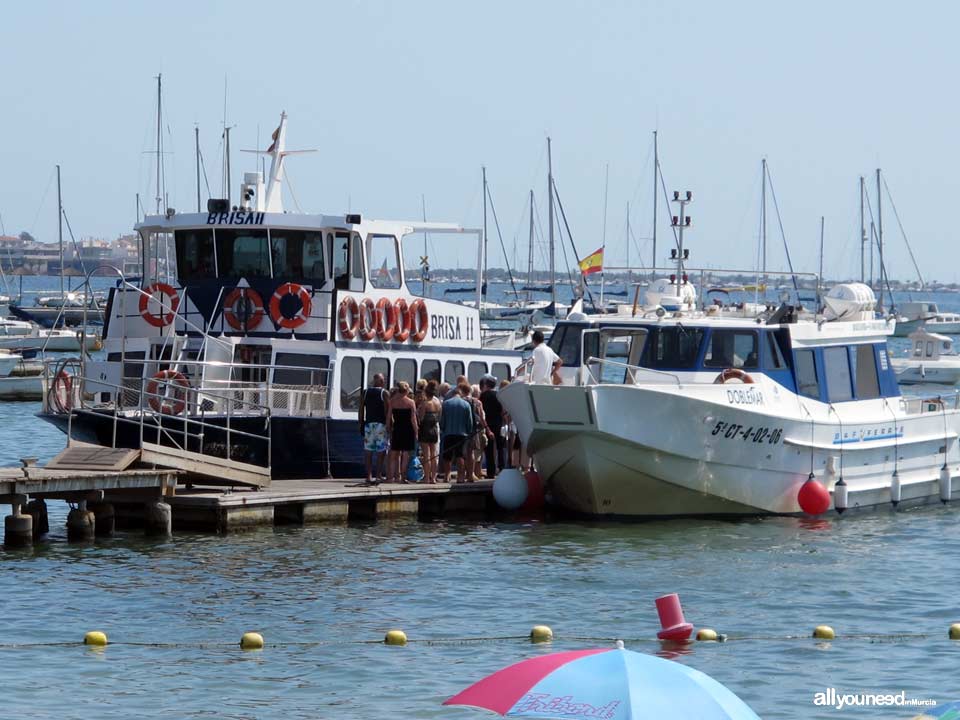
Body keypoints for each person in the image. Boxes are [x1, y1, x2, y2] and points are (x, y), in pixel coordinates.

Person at [439, 382, 474, 482]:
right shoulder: (466, 404)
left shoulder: (446, 403)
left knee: (447, 456)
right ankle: (460, 477)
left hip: (448, 433)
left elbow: (442, 420)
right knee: (460, 456)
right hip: (462, 434)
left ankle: (447, 476)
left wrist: (443, 428)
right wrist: (469, 431)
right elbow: (469, 421)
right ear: (461, 394)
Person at [358, 373, 388, 484]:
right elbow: (387, 410)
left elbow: (361, 409)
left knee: (368, 450)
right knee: (381, 450)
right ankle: (379, 474)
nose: (384, 382)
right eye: (383, 380)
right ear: (380, 381)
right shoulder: (384, 393)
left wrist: (360, 423)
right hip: (381, 425)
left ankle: (369, 475)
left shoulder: (365, 392)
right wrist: (390, 424)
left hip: (369, 424)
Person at [386, 382, 418, 484]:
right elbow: (413, 419)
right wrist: (416, 431)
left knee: (394, 454)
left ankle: (391, 477)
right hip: (408, 429)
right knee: (405, 454)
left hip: (397, 428)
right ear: (407, 390)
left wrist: (388, 427)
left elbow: (389, 416)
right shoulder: (410, 402)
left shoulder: (392, 401)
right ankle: (402, 477)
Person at [417, 380, 442, 484]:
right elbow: (439, 416)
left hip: (425, 429)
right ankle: (434, 478)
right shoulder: (438, 402)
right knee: (434, 455)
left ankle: (427, 478)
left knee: (426, 455)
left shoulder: (425, 402)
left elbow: (421, 417)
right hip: (434, 429)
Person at [480, 376, 504, 478]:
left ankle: (491, 472)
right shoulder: (499, 395)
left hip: (487, 424)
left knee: (489, 449)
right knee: (500, 448)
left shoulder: (483, 396)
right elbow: (502, 411)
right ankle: (502, 468)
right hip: (498, 423)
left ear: (486, 385)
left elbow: (481, 411)